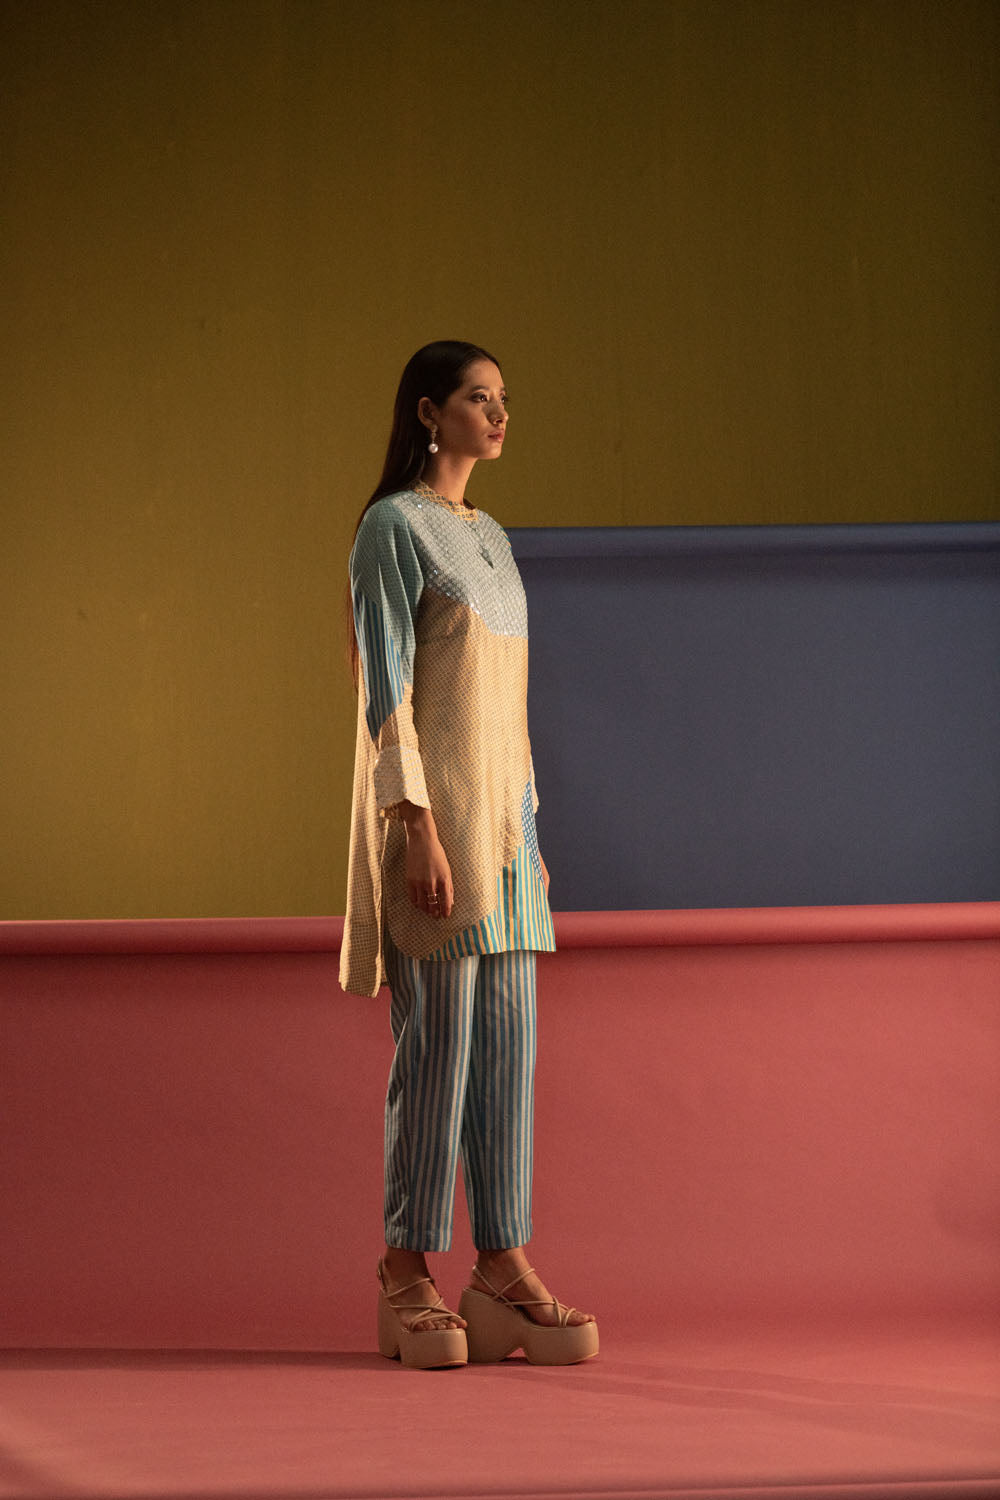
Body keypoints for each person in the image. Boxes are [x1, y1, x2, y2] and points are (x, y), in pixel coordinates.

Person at [340, 340, 598, 1370]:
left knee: (506, 1055)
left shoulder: (490, 536)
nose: (498, 415)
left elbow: (507, 704)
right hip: (434, 831)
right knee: (436, 1052)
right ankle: (404, 1268)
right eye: (478, 399)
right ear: (428, 411)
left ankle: (502, 1263)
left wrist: (529, 830)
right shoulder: (392, 529)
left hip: (506, 835)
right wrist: (416, 825)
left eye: (503, 400)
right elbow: (385, 689)